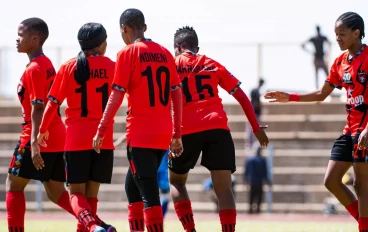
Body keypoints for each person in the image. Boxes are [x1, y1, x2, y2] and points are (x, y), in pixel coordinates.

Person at [265, 12, 368, 231]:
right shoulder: (340, 62)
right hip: (349, 131)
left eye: (342, 34)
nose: (338, 39)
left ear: (357, 33)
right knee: (331, 181)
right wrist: (290, 97)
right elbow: (322, 93)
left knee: (361, 185)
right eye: (336, 35)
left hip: (365, 130)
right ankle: (364, 222)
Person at [169, 26, 269, 232]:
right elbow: (241, 95)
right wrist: (256, 127)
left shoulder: (171, 66)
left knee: (177, 182)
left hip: (186, 129)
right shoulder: (211, 63)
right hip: (217, 128)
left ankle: (191, 230)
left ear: (178, 47)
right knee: (224, 189)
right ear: (197, 47)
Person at [93, 8, 183, 232]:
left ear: (124, 29)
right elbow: (177, 94)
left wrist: (101, 129)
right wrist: (177, 133)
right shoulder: (164, 53)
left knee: (149, 194)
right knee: (132, 188)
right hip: (162, 133)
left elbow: (116, 95)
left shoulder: (127, 52)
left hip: (141, 134)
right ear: (144, 27)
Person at [37, 23, 116, 232]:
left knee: (75, 194)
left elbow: (52, 102)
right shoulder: (113, 66)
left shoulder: (68, 67)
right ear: (100, 45)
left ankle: (91, 226)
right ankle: (93, 228)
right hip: (104, 139)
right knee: (91, 196)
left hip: (77, 139)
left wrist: (42, 128)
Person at [6, 17, 78, 232]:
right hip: (58, 135)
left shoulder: (34, 69)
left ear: (34, 38)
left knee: (14, 185)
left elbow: (38, 108)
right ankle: (95, 224)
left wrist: (34, 143)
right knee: (56, 192)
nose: (16, 39)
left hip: (37, 135)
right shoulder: (47, 64)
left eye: (20, 35)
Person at [114, 136, 171, 218]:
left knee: (161, 194)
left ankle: (158, 219)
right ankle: (154, 220)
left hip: (161, 165)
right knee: (148, 194)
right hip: (154, 163)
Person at [244, 147, 271, 214]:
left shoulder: (249, 160)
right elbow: (265, 172)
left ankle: (250, 211)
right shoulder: (262, 160)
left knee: (251, 197)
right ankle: (257, 211)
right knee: (259, 198)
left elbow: (246, 171)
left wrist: (245, 180)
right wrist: (268, 182)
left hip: (252, 182)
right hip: (259, 182)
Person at [246, 78, 265, 148]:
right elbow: (257, 103)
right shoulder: (257, 92)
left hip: (251, 112)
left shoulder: (254, 90)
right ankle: (252, 145)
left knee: (249, 129)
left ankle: (249, 144)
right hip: (255, 113)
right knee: (255, 129)